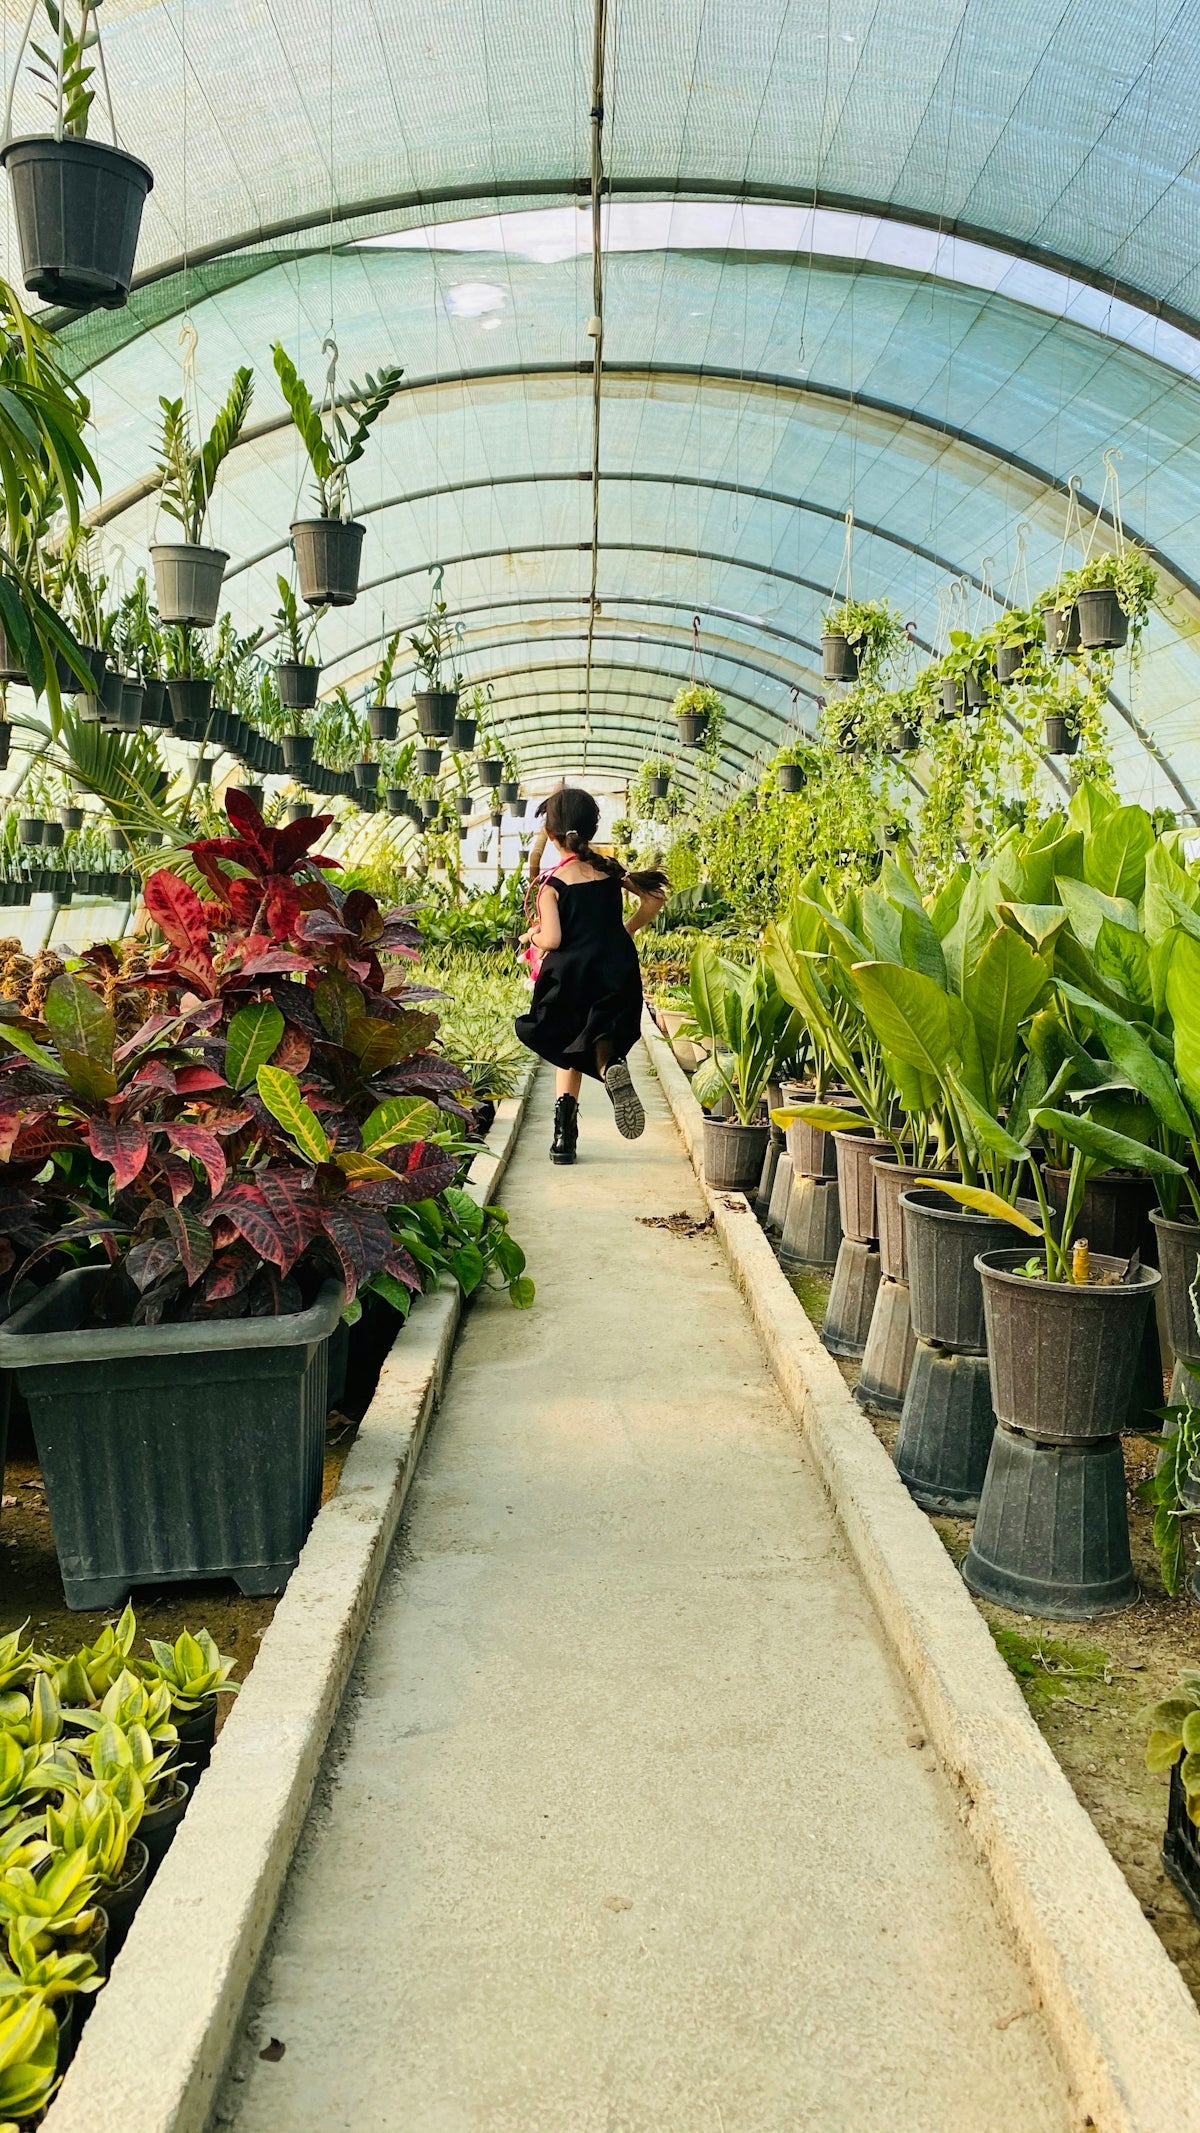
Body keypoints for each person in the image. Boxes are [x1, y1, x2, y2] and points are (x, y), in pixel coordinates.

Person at [515, 787, 668, 1162]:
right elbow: (654, 899)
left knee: (565, 1045)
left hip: (571, 976)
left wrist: (531, 936)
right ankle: (609, 1065)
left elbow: (553, 939)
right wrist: (625, 930)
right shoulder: (608, 869)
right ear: (592, 828)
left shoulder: (552, 885)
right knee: (596, 1037)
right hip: (615, 967)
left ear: (550, 834)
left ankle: (564, 1140)